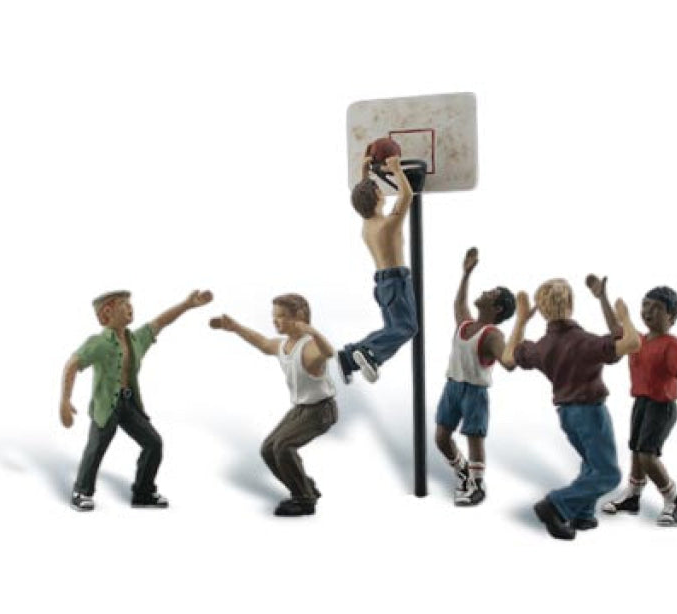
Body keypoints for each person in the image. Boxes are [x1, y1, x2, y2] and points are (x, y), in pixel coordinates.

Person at [503, 276, 640, 540]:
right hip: (591, 413)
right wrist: (624, 316)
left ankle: (583, 514)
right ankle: (555, 505)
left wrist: (521, 319)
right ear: (571, 304)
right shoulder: (585, 342)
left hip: (566, 415)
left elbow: (508, 358)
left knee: (591, 464)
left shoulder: (542, 347)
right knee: (608, 474)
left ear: (542, 310)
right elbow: (631, 342)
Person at [59, 289, 213, 511]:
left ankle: (143, 492)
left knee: (153, 443)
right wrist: (65, 401)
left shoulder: (136, 340)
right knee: (96, 448)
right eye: (124, 304)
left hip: (129, 403)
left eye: (130, 303)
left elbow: (160, 322)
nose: (130, 307)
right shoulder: (99, 343)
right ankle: (81, 492)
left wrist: (187, 304)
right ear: (108, 312)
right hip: (106, 406)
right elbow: (72, 364)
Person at [210, 294, 337, 517]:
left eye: (281, 316)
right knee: (268, 449)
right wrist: (235, 327)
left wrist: (313, 332)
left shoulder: (309, 347)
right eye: (274, 316)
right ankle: (307, 487)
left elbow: (329, 353)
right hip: (301, 409)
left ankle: (304, 500)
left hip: (321, 411)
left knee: (283, 447)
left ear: (299, 317)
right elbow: (261, 342)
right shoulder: (283, 345)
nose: (275, 321)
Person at [601, 286, 677, 526]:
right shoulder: (637, 340)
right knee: (636, 450)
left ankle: (673, 499)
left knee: (647, 454)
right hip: (641, 403)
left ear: (671, 317)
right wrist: (602, 296)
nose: (648, 311)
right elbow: (616, 328)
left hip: (661, 406)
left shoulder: (673, 345)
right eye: (646, 305)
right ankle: (633, 496)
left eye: (657, 308)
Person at [435, 247, 516, 506]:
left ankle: (478, 485)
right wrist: (466, 274)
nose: (485, 292)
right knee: (441, 437)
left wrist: (519, 334)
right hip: (452, 386)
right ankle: (462, 471)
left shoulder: (492, 335)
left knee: (474, 438)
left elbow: (508, 362)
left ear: (497, 308)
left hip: (474, 392)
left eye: (491, 293)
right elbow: (459, 304)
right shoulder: (466, 324)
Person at [336, 154, 417, 384]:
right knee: (407, 328)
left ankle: (348, 359)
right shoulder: (388, 225)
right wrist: (396, 170)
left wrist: (365, 171)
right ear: (378, 197)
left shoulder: (367, 226)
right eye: (379, 190)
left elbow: (362, 193)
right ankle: (367, 352)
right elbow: (407, 196)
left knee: (392, 328)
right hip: (397, 281)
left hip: (382, 284)